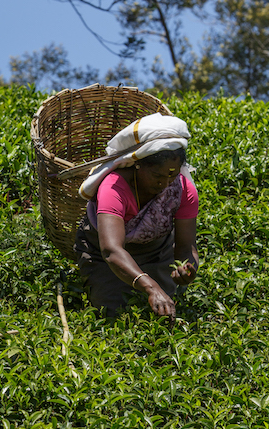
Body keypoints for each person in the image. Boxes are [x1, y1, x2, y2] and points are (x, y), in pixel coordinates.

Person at [74, 114, 198, 322]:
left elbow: (186, 246)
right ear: (138, 165)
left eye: (172, 174)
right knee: (114, 316)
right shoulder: (114, 187)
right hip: (105, 257)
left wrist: (188, 267)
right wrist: (150, 286)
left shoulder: (183, 190)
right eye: (158, 176)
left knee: (163, 317)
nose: (166, 183)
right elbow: (111, 249)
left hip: (155, 252)